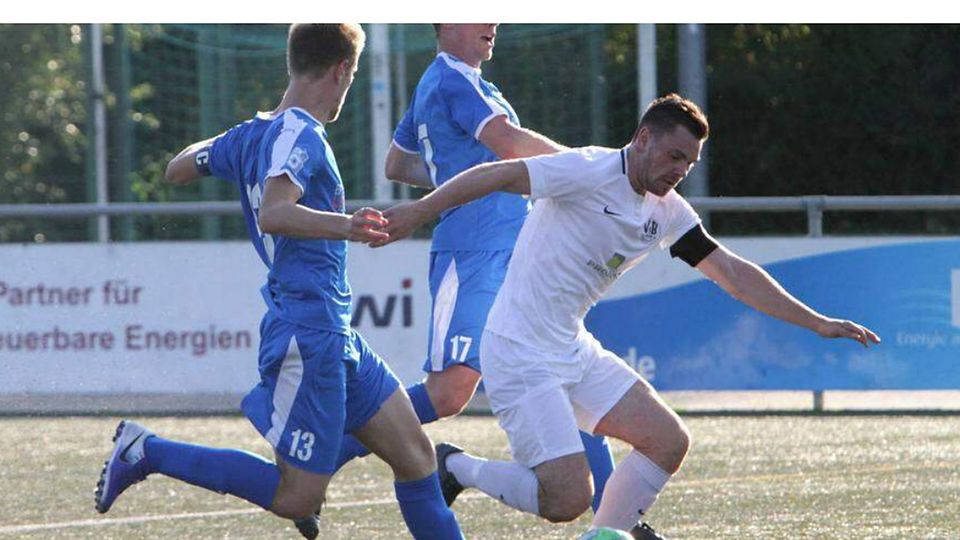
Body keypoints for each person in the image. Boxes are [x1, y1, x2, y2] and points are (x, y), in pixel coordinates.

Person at [376, 93, 881, 539]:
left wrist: (816, 321)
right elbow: (500, 172)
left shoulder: (666, 209)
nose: (679, 170)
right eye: (674, 156)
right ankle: (457, 466)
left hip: (571, 349)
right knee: (566, 499)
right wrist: (419, 213)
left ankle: (606, 537)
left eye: (689, 163)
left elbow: (730, 271)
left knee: (668, 441)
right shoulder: (588, 169)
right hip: (518, 352)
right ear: (643, 138)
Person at [93, 24, 464, 540]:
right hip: (307, 333)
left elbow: (179, 168)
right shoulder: (301, 133)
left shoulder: (254, 135)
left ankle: (310, 447)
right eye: (351, 76)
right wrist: (348, 226)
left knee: (418, 458)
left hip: (335, 335)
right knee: (297, 496)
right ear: (341, 70)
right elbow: (274, 212)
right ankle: (146, 450)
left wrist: (223, 146)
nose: (347, 87)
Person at [335, 23, 617, 513]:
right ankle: (323, 458)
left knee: (564, 372)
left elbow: (399, 164)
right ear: (445, 23)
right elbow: (507, 142)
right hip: (473, 253)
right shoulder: (452, 80)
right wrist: (593, 169)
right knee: (448, 393)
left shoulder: (460, 82)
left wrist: (456, 173)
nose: (494, 23)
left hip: (518, 254)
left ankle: (615, 520)